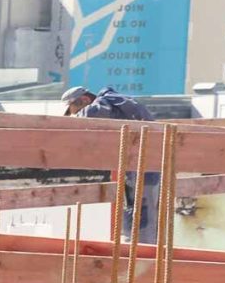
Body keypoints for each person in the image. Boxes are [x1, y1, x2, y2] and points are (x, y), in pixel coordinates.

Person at [62, 85, 161, 240]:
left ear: (85, 99)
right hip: (144, 163)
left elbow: (90, 115)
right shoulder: (118, 102)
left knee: (140, 211)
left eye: (75, 108)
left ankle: (139, 252)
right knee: (140, 209)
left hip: (142, 165)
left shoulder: (104, 102)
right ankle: (139, 248)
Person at [63, 84, 150, 122]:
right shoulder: (112, 102)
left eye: (78, 111)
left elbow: (89, 114)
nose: (77, 114)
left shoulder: (99, 105)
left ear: (85, 99)